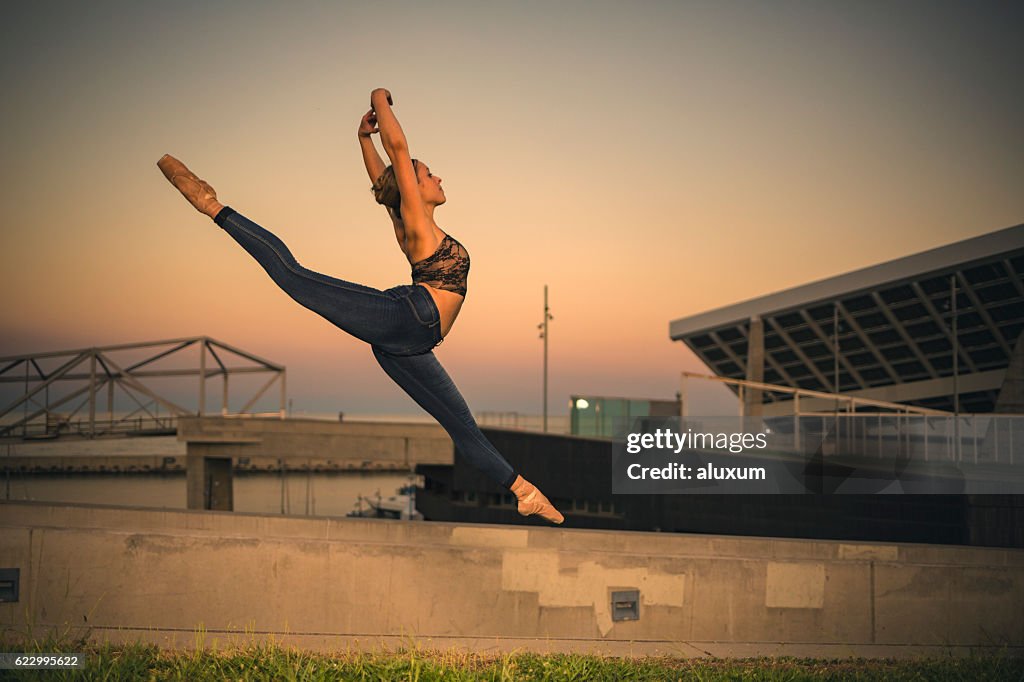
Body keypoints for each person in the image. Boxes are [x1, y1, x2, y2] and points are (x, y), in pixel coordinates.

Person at [157, 87, 563, 524]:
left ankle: (524, 492)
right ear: (414, 186)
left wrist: (362, 140)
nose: (438, 178)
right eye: (427, 174)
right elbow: (400, 149)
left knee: (461, 426)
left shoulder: (407, 220)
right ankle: (211, 204)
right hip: (408, 317)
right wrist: (379, 99)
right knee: (296, 279)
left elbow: (382, 182)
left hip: (411, 343)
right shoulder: (417, 224)